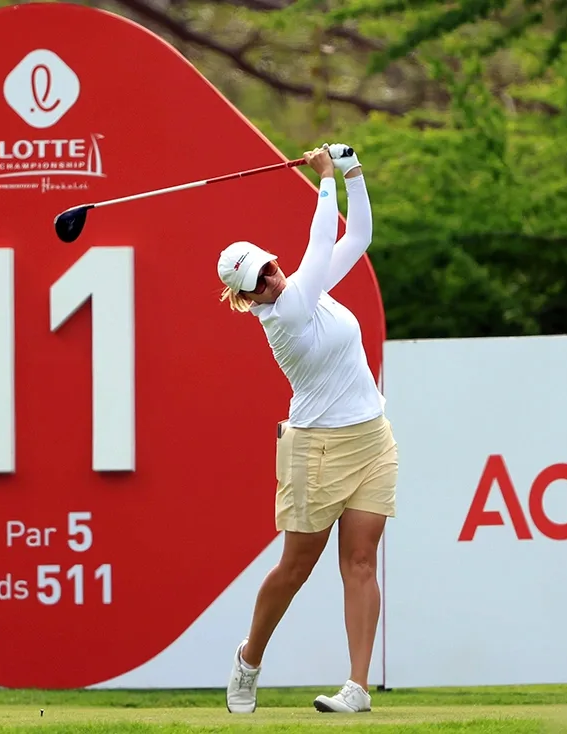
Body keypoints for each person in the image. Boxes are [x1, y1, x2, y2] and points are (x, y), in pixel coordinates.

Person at [216, 143, 395, 715]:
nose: (269, 279)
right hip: (315, 448)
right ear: (245, 300)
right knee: (295, 568)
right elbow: (320, 245)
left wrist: (353, 173)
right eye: (256, 281)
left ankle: (357, 688)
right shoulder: (286, 315)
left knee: (361, 561)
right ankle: (248, 659)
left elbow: (358, 237)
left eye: (268, 267)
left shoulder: (306, 291)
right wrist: (323, 179)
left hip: (371, 438)